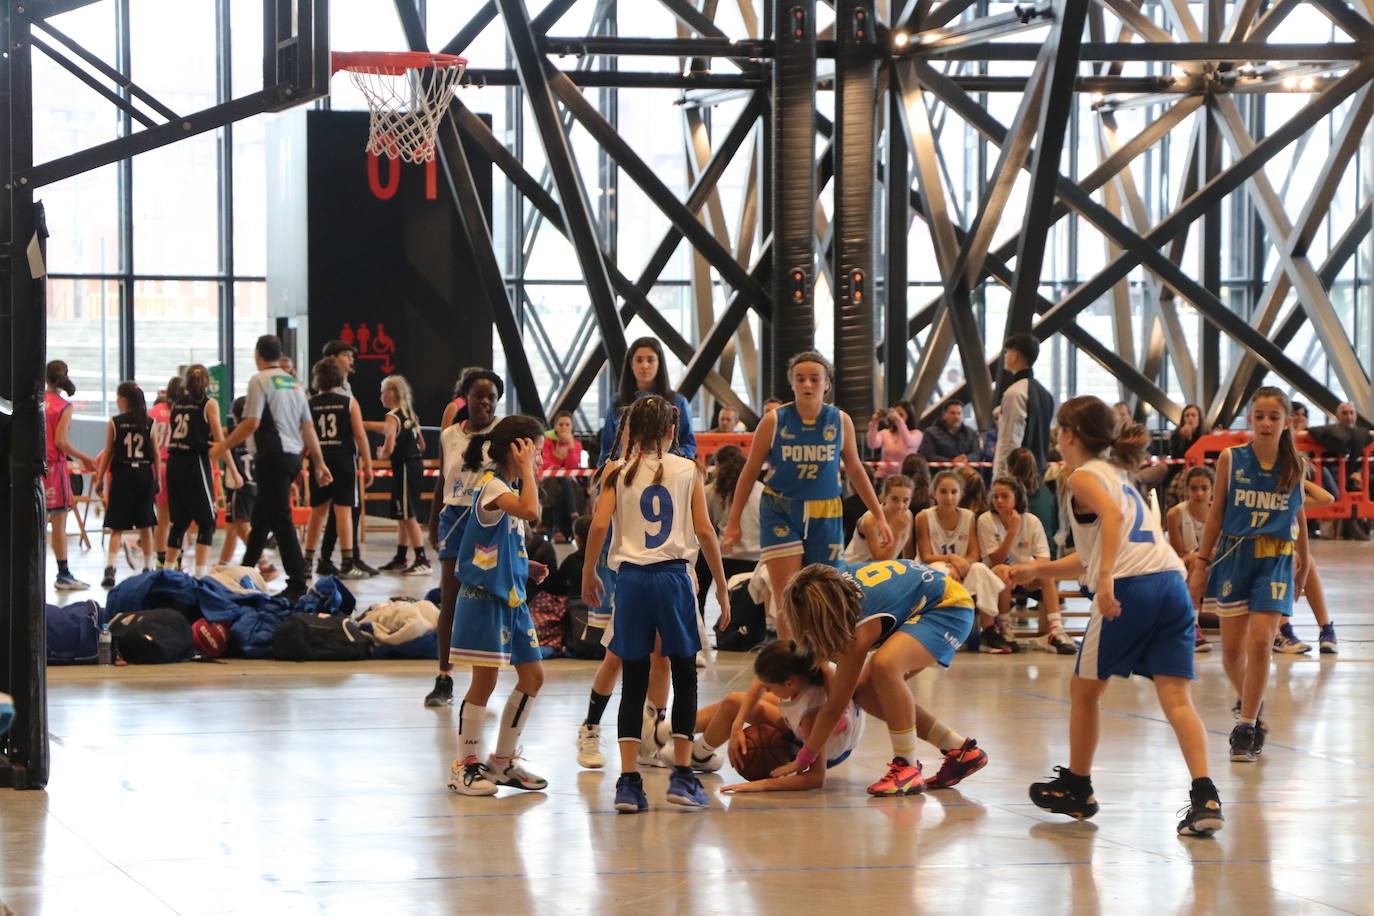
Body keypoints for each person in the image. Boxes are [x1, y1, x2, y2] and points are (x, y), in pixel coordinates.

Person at [1007, 395, 1222, 836]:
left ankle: (1078, 786)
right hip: (1170, 584)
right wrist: (1038, 569)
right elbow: (1105, 545)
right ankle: (1206, 797)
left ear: (1068, 435)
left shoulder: (1083, 475)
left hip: (1131, 589)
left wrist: (1104, 580)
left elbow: (1109, 521)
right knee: (1177, 698)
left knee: (1084, 690)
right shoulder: (1123, 475)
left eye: (1058, 434)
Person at [581, 396, 730, 813]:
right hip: (672, 578)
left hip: (630, 581)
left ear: (629, 430)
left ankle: (628, 783)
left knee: (634, 677)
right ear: (671, 431)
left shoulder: (616, 470)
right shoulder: (688, 469)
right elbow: (704, 529)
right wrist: (720, 584)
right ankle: (682, 778)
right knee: (685, 676)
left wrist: (588, 572)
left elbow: (597, 525)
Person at [773, 560, 987, 796]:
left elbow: (835, 707)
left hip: (949, 606)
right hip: (929, 602)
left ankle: (907, 766)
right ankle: (960, 749)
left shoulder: (859, 626)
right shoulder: (832, 586)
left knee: (885, 665)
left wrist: (803, 759)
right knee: (865, 691)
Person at [723, 351, 891, 639]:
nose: (807, 385)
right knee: (789, 592)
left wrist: (879, 514)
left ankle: (823, 660)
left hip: (825, 510)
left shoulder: (840, 421)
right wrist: (733, 521)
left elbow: (855, 468)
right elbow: (749, 471)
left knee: (826, 592)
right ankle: (794, 660)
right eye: (800, 379)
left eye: (815, 378)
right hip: (781, 510)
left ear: (826, 384)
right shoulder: (774, 421)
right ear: (792, 384)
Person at [1188, 387, 1310, 764]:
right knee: (1231, 653)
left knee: (1261, 642)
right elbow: (1218, 513)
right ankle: (1253, 708)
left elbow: (1299, 515)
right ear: (1250, 420)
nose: (1266, 423)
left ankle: (1245, 727)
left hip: (1275, 559)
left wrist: (1304, 560)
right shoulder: (1231, 458)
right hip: (1234, 556)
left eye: (1274, 416)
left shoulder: (1295, 465)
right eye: (1260, 416)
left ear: (1287, 422)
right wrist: (1201, 563)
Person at [446, 416, 550, 796]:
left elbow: (501, 542)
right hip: (484, 600)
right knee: (484, 681)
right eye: (535, 450)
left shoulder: (506, 490)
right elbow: (530, 510)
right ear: (519, 449)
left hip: (512, 599)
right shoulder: (493, 487)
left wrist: (527, 565)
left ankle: (503, 763)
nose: (538, 458)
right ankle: (465, 767)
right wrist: (526, 469)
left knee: (533, 676)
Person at [211, 335, 333, 602]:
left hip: (271, 458)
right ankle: (246, 569)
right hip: (292, 458)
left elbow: (251, 422)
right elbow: (308, 427)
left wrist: (222, 447)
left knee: (280, 520)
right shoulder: (295, 384)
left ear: (258, 355)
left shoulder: (260, 380)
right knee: (261, 519)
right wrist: (320, 462)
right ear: (279, 355)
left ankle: (298, 582)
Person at [426, 369, 503, 707]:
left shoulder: (503, 434)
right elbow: (441, 483)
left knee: (486, 602)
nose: (484, 401)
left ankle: (482, 682)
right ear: (466, 398)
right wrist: (431, 524)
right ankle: (444, 677)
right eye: (478, 395)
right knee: (451, 601)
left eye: (491, 397)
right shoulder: (448, 436)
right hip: (454, 520)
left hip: (489, 521)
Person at [703, 641, 868, 793]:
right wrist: (736, 726)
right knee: (735, 702)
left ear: (789, 684)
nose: (766, 690)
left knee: (735, 702)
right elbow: (761, 683)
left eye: (770, 687)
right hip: (834, 731)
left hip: (829, 750)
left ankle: (698, 755)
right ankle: (682, 733)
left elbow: (816, 778)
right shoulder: (807, 667)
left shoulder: (811, 714)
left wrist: (763, 784)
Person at [915, 470, 1011, 652]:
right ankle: (943, 630)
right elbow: (926, 556)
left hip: (962, 567)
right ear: (934, 492)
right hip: (933, 568)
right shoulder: (923, 517)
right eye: (943, 492)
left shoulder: (968, 516)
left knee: (981, 569)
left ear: (961, 494)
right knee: (942, 571)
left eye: (954, 492)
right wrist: (952, 559)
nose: (949, 497)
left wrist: (961, 564)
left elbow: (975, 554)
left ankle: (988, 630)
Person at [979, 477, 1074, 654]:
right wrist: (1012, 532)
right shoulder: (986, 520)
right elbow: (996, 560)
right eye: (995, 496)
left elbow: (1043, 559)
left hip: (1026, 576)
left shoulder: (1031, 520)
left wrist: (1028, 570)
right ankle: (1005, 629)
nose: (998, 501)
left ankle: (1056, 631)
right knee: (1003, 570)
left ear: (1017, 498)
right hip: (997, 578)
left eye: (1004, 496)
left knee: (1047, 574)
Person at [304, 359, 374, 580]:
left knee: (317, 511)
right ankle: (346, 561)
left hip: (318, 460)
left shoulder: (310, 403)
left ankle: (307, 560)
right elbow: (360, 435)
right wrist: (369, 464)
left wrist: (299, 465)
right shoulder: (349, 401)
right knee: (343, 511)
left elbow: (304, 435)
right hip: (343, 461)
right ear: (340, 377)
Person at [165, 365, 232, 577]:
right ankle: (200, 575)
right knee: (207, 521)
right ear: (208, 383)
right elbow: (219, 441)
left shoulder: (176, 404)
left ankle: (166, 572)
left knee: (180, 522)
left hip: (173, 463)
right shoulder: (209, 404)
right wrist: (233, 469)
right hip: (194, 463)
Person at [93, 382, 158, 588]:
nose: (116, 400)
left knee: (117, 526)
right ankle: (148, 568)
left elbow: (108, 452)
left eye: (117, 397)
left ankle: (110, 569)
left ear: (124, 400)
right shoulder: (149, 422)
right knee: (146, 525)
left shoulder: (115, 422)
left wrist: (100, 477)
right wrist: (158, 480)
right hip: (144, 474)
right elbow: (156, 453)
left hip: (122, 475)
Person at [598, 336, 696, 462]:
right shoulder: (616, 403)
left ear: (659, 363)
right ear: (631, 364)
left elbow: (688, 445)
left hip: (666, 475)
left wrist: (666, 463)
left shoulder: (678, 402)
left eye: (650, 360)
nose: (644, 365)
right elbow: (606, 449)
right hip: (625, 476)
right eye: (639, 360)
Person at [43, 361, 97, 590]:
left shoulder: (35, 400)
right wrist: (83, 456)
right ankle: (63, 574)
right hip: (54, 468)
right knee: (58, 523)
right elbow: (60, 442)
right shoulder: (63, 406)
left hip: (34, 468)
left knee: (32, 522)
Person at [375, 375, 429, 575]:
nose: (380, 396)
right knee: (403, 514)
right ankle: (400, 557)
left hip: (405, 466)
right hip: (414, 465)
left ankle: (422, 559)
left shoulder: (392, 417)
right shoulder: (411, 415)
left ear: (391, 393)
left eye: (382, 391)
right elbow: (422, 445)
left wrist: (381, 453)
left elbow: (389, 447)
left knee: (408, 515)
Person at [698, 443, 759, 613]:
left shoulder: (710, 491)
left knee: (703, 554)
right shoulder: (760, 490)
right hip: (756, 559)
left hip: (727, 560)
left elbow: (704, 529)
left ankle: (698, 619)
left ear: (717, 465)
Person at [1166, 466, 1217, 653]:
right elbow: (1176, 555)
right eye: (1194, 488)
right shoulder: (1175, 514)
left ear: (1212, 489)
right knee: (1197, 562)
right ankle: (1192, 626)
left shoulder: (1219, 513)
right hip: (1187, 567)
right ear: (1186, 490)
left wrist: (1214, 553)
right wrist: (1200, 555)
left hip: (1215, 568)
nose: (1199, 493)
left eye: (1204, 488)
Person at [992, 332, 1054, 478]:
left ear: (1014, 356)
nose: (1006, 356)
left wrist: (1001, 476)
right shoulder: (1045, 393)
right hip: (1039, 471)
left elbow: (1010, 440)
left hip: (1018, 475)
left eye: (1007, 352)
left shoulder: (1015, 393)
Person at [218, 397, 263, 572]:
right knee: (231, 528)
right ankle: (222, 566)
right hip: (255, 486)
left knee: (242, 525)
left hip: (240, 486)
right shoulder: (256, 433)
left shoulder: (232, 432)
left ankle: (264, 562)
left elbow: (215, 432)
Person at [149, 376, 182, 568]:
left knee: (162, 518)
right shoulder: (182, 412)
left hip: (157, 465)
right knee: (179, 518)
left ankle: (161, 559)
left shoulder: (153, 412)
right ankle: (175, 558)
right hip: (176, 465)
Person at [844, 475, 913, 563]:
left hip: (884, 569)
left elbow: (908, 551)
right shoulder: (870, 520)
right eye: (895, 499)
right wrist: (896, 532)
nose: (900, 506)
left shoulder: (908, 515)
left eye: (906, 500)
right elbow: (879, 561)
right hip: (855, 568)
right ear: (884, 496)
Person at [540, 410, 584, 542]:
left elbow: (573, 467)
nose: (564, 428)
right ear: (555, 426)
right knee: (561, 479)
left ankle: (558, 529)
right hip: (549, 478)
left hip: (567, 482)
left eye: (567, 424)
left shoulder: (576, 444)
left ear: (572, 426)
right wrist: (561, 471)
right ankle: (573, 513)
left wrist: (570, 446)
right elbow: (546, 462)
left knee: (562, 485)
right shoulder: (547, 441)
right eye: (561, 425)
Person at [1008, 447, 1057, 556]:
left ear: (1009, 468)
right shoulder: (1047, 491)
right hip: (1052, 553)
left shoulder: (1013, 497)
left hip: (1033, 557)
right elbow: (1055, 526)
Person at [866, 400, 923, 478]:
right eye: (895, 413)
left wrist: (898, 420)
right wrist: (874, 422)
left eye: (901, 415)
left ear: (909, 417)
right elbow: (872, 444)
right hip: (883, 476)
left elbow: (909, 442)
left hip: (905, 478)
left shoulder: (917, 433)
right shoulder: (885, 433)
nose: (897, 416)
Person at [920, 401, 982, 466]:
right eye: (952, 413)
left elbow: (977, 453)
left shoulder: (971, 433)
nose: (956, 417)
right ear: (944, 415)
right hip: (940, 472)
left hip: (966, 471)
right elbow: (927, 455)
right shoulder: (930, 433)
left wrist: (967, 459)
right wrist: (951, 461)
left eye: (959, 413)